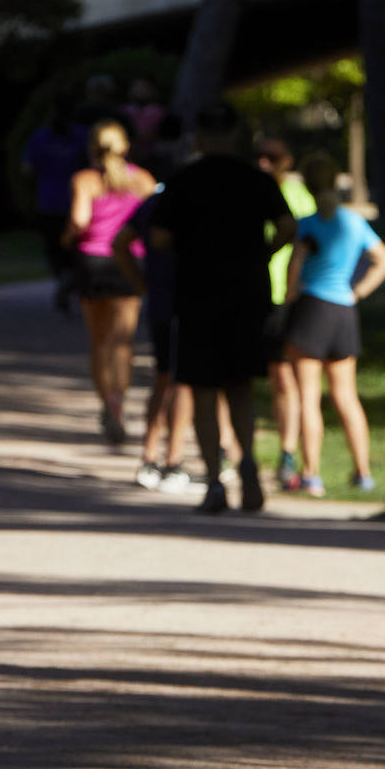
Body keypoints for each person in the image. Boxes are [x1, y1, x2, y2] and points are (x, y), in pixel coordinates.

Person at [151, 101, 295, 513]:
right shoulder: (256, 179)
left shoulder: (184, 180)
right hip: (247, 293)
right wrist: (264, 254)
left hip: (197, 296)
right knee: (241, 385)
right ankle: (247, 459)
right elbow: (288, 227)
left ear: (199, 136)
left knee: (202, 390)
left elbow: (159, 238)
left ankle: (215, 480)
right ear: (235, 135)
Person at [284, 152, 385, 496]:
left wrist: (287, 306)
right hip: (344, 312)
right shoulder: (353, 221)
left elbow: (293, 271)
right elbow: (384, 261)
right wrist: (357, 291)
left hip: (313, 309)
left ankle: (312, 473)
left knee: (308, 397)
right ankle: (362, 473)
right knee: (347, 396)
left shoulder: (307, 224)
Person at [112, 113, 197, 492]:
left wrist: (142, 283)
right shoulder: (191, 202)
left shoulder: (154, 202)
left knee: (165, 378)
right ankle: (171, 460)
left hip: (162, 300)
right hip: (186, 303)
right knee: (182, 383)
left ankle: (150, 457)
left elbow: (120, 244)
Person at [62, 119, 156, 445]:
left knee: (99, 340)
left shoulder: (86, 180)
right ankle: (120, 401)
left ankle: (107, 403)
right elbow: (156, 220)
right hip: (129, 261)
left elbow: (79, 219)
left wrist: (67, 237)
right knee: (123, 342)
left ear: (92, 148)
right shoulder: (143, 179)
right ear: (125, 147)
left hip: (93, 262)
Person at [255, 138, 317, 491]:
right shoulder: (248, 190)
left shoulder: (298, 196)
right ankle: (229, 449)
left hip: (284, 294)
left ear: (285, 161)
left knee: (283, 377)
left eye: (272, 158)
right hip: (253, 291)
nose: (265, 163)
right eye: (260, 157)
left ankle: (287, 452)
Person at [20, 95, 88, 311]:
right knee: (76, 247)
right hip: (77, 200)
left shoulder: (41, 138)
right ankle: (74, 278)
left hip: (48, 200)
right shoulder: (81, 136)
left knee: (53, 247)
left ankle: (64, 276)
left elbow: (27, 169)